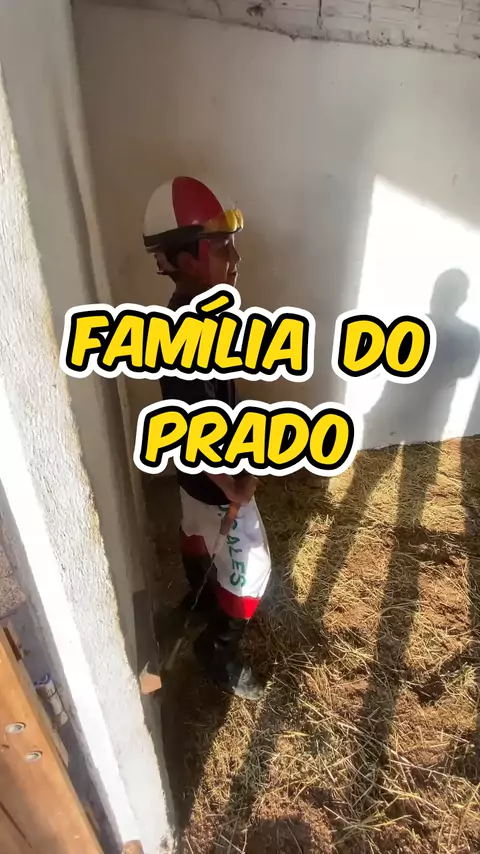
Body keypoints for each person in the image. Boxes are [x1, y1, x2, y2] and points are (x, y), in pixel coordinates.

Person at [143, 176, 271, 700]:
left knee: (195, 528)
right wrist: (233, 484)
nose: (235, 258)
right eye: (221, 248)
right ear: (183, 258)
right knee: (253, 567)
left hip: (196, 476)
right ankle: (217, 649)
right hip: (213, 476)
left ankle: (198, 591)